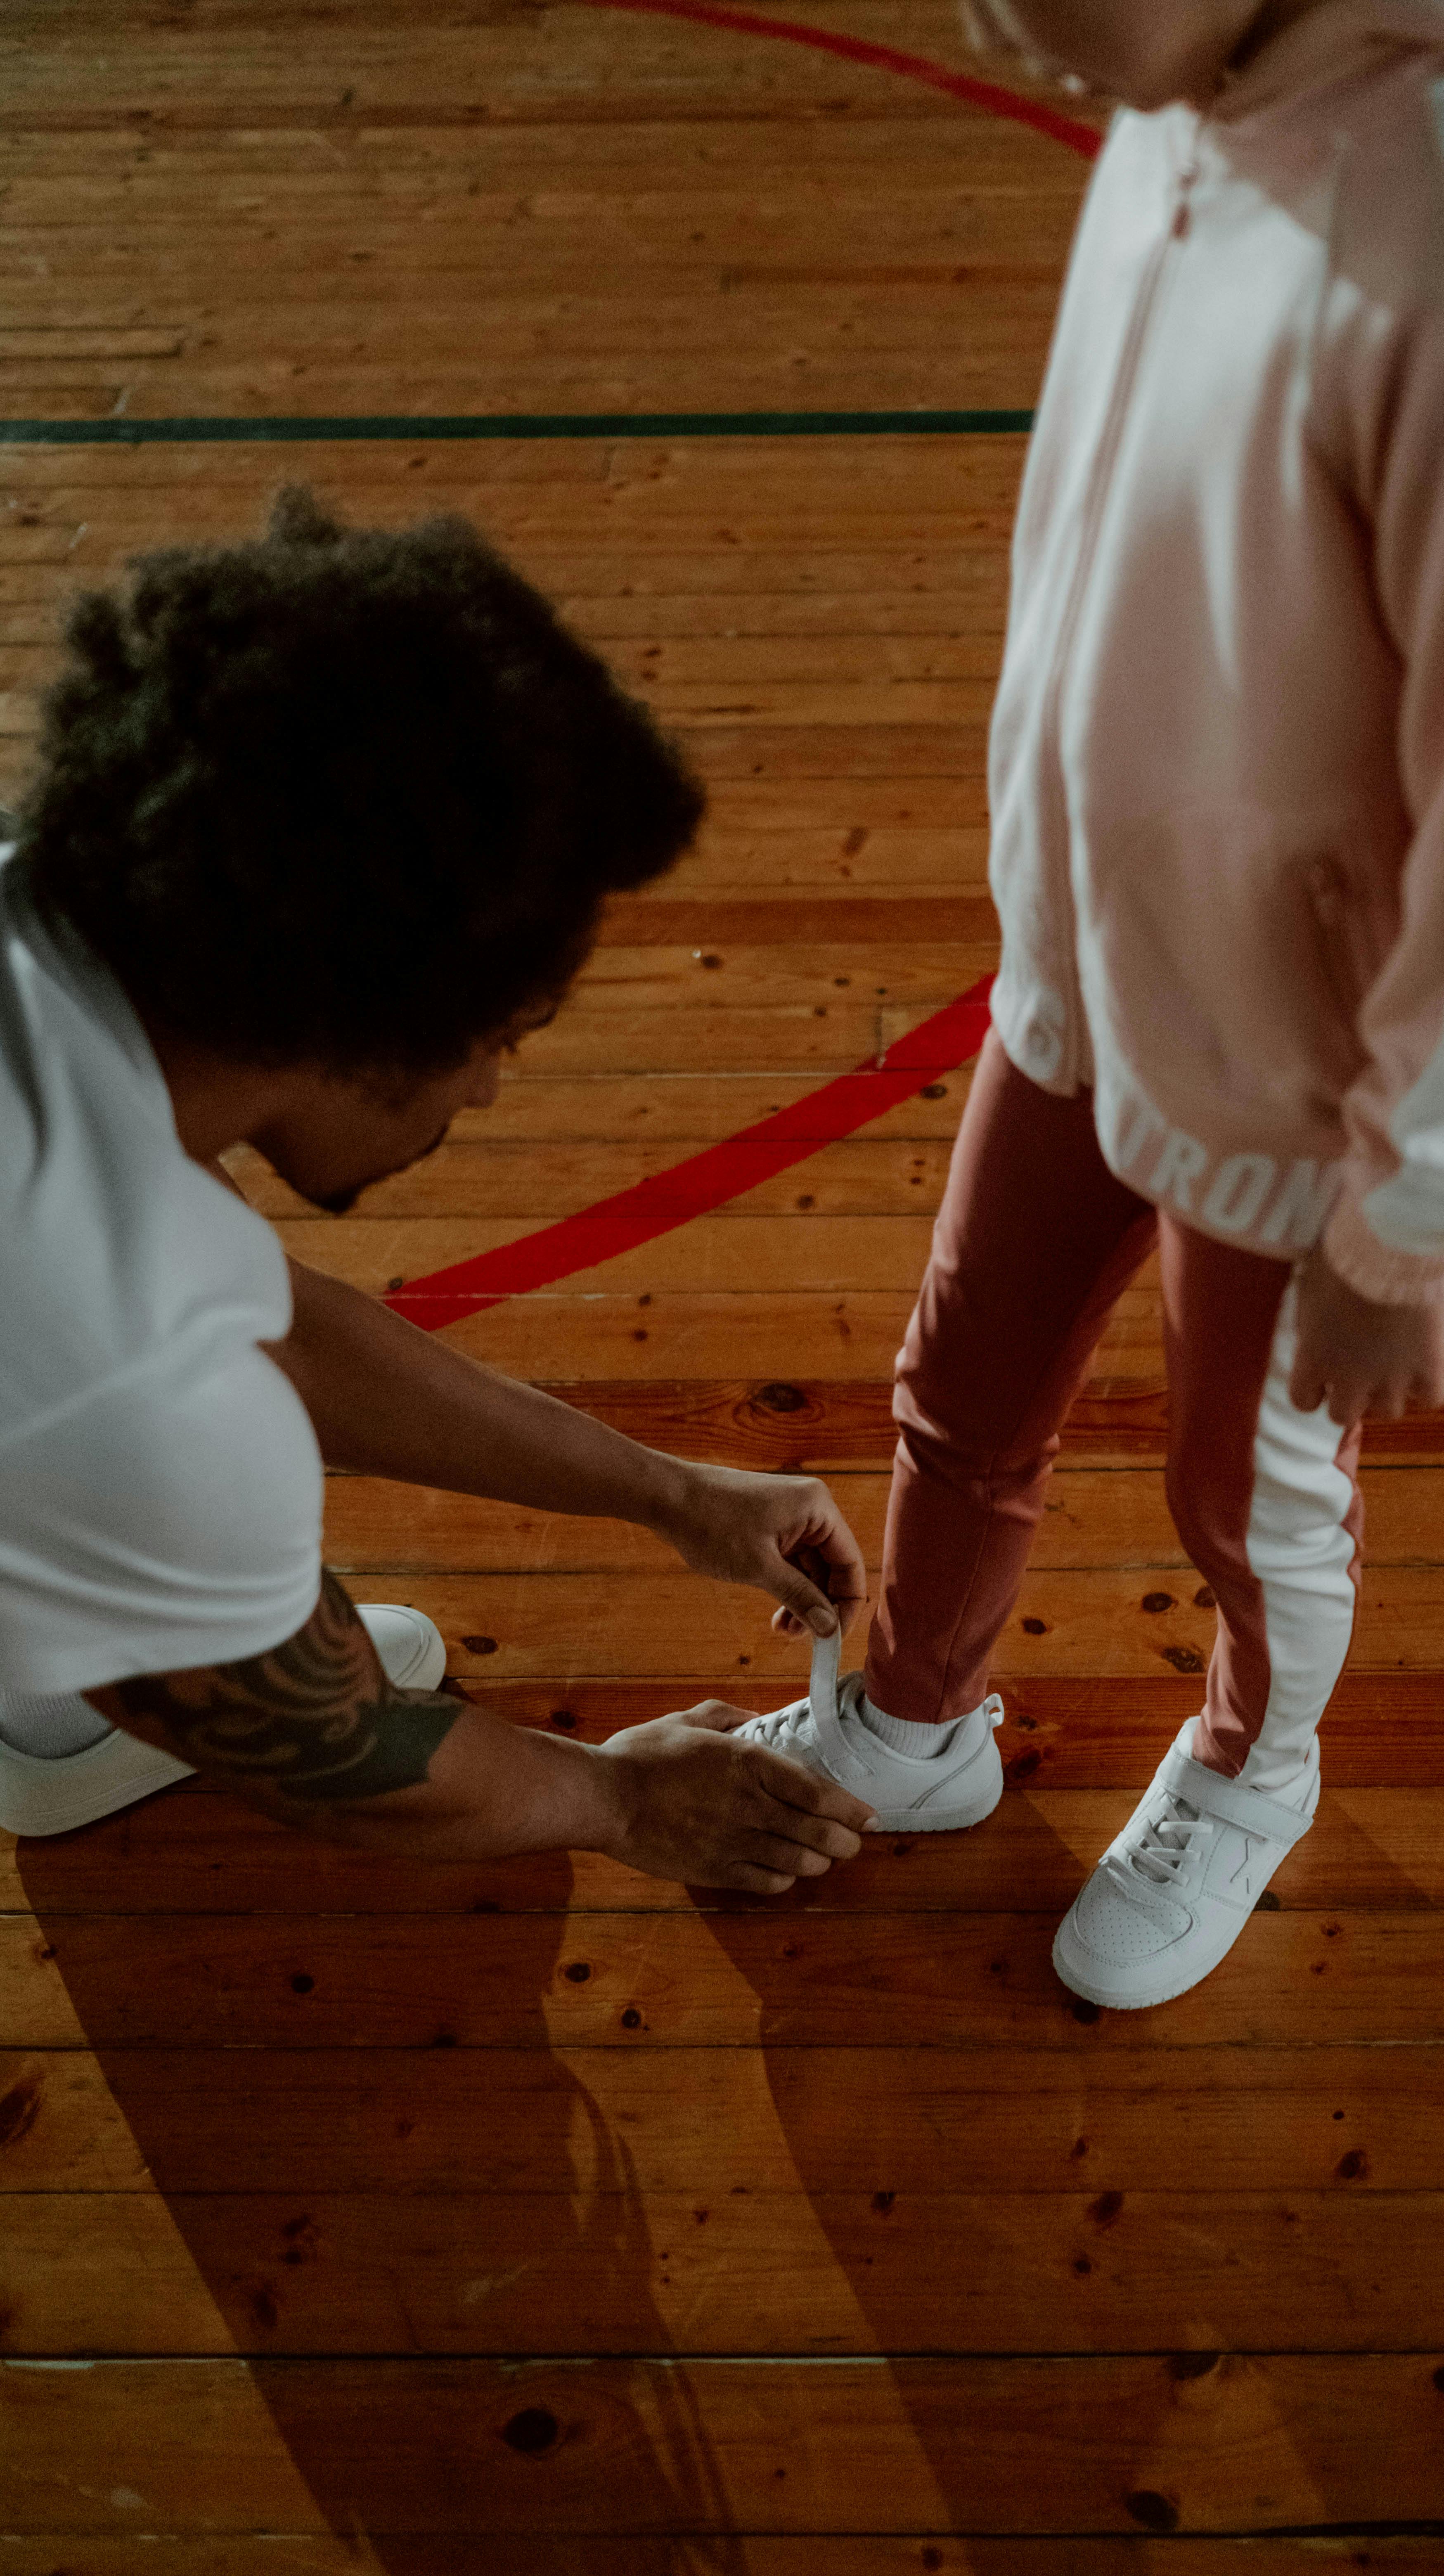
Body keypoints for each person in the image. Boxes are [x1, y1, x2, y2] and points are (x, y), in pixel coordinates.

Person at [734, 0, 1444, 2004]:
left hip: (1297, 1069)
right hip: (1088, 957)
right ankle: (910, 1721)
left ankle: (1252, 1764)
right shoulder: (1179, 102)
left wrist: (1417, 1201)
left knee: (1242, 1496)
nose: (991, 21)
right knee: (960, 1381)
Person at [0, 490, 875, 1891]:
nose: (486, 1094)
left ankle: (47, 1679)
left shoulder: (46, 922)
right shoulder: (116, 1370)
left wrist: (669, 1493)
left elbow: (271, 1326)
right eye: (498, 1039)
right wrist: (626, 1800)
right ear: (357, 1017)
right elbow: (341, 1751)